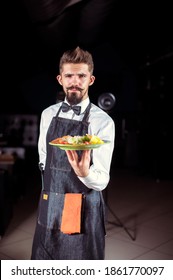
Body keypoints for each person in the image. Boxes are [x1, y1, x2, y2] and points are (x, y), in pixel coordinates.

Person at [31, 46, 115, 260]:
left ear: (91, 80)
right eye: (69, 75)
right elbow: (43, 157)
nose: (75, 81)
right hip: (51, 203)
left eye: (81, 76)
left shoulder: (103, 121)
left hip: (84, 208)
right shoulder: (47, 114)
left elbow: (102, 180)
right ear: (60, 79)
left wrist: (84, 173)